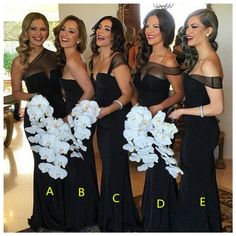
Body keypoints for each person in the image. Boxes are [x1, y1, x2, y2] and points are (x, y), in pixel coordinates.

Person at [11, 12, 67, 231]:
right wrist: (36, 97)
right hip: (37, 119)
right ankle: (47, 216)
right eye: (34, 29)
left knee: (61, 164)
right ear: (26, 31)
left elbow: (64, 87)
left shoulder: (55, 56)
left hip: (60, 116)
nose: (38, 33)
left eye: (43, 29)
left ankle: (62, 212)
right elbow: (16, 93)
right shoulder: (19, 61)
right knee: (44, 167)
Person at [169, 9, 224, 232]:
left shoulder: (209, 63)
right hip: (197, 130)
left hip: (202, 133)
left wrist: (183, 112)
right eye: (187, 26)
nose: (188, 32)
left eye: (194, 27)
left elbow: (218, 107)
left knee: (195, 182)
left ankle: (196, 226)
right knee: (198, 181)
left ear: (209, 31)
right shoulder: (200, 60)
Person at [132, 9, 184, 231]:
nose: (150, 31)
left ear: (166, 30)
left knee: (160, 170)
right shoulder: (143, 55)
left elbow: (179, 93)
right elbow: (135, 87)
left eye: (156, 26)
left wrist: (159, 107)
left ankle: (160, 223)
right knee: (152, 171)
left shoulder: (169, 58)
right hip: (143, 122)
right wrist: (136, 108)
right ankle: (161, 216)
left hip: (161, 124)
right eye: (147, 25)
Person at [89, 15, 140, 232]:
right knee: (111, 170)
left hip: (116, 122)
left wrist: (106, 111)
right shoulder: (93, 59)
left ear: (115, 35)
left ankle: (115, 221)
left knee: (113, 170)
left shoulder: (118, 59)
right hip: (103, 122)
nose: (101, 31)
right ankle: (118, 215)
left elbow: (128, 94)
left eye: (107, 29)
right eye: (99, 27)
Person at [53, 15, 99, 231]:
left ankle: (81, 218)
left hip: (76, 123)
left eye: (71, 31)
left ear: (79, 37)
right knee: (79, 167)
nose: (65, 34)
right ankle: (85, 213)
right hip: (77, 121)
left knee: (77, 169)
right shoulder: (74, 57)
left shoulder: (73, 59)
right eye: (63, 29)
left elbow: (90, 90)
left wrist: (70, 118)